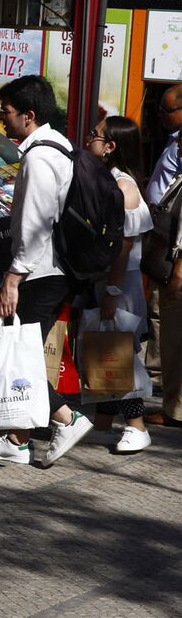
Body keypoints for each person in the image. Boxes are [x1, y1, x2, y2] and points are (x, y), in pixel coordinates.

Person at [0, 75, 93, 467]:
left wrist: (13, 278)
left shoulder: (38, 157)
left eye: (7, 111)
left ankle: (66, 418)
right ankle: (17, 440)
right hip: (55, 268)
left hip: (41, 271)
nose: (2, 118)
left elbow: (35, 224)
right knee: (27, 351)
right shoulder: (59, 146)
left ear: (29, 116)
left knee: (21, 358)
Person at [85, 116, 154, 452]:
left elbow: (123, 247)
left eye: (95, 135)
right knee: (104, 348)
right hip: (110, 280)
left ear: (111, 146)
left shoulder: (123, 187)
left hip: (120, 282)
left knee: (118, 353)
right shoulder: (109, 179)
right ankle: (103, 421)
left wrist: (112, 291)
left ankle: (137, 425)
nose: (89, 139)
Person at [144, 84, 182, 427]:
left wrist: (179, 268)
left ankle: (174, 411)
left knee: (173, 335)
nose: (160, 117)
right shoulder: (172, 144)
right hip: (165, 248)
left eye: (166, 111)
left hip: (175, 260)